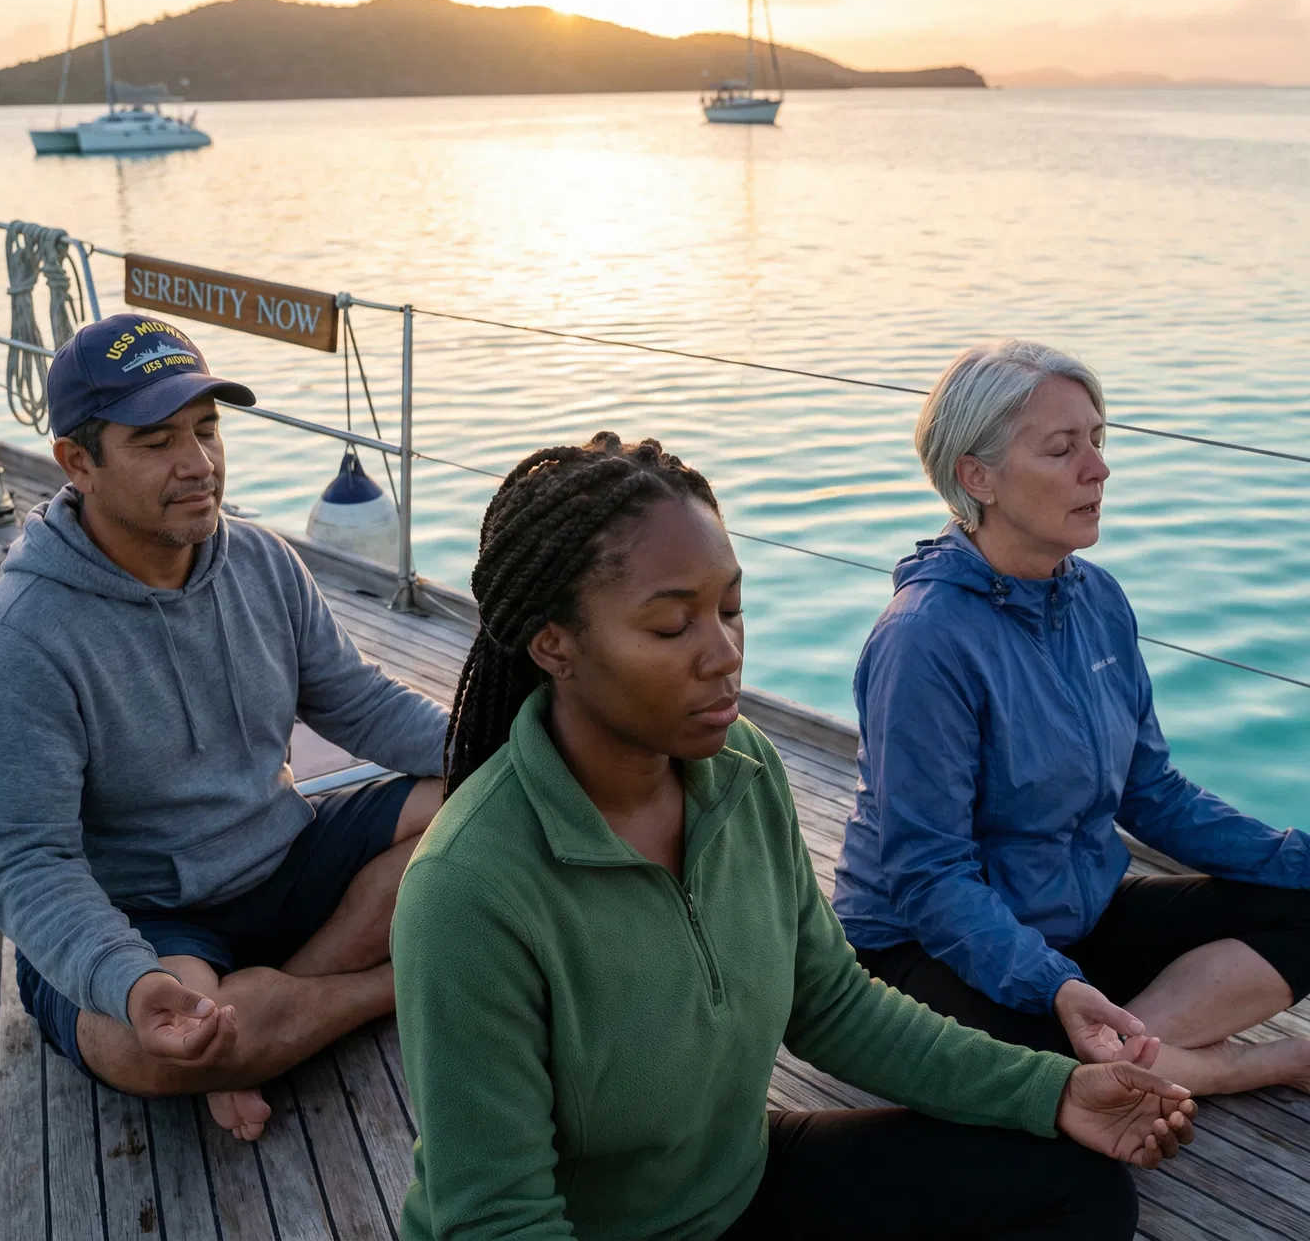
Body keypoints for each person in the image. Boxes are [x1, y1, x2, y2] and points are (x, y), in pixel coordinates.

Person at [391, 432, 1197, 1241]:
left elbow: (833, 1003)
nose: (725, 653)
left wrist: (1051, 1091)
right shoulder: (469, 892)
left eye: (731, 609)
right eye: (673, 627)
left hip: (737, 1189)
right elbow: (497, 1220)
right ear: (553, 645)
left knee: (1076, 1181)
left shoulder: (741, 770)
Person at [832, 340, 1310, 1097]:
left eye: (1097, 441)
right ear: (976, 476)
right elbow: (929, 876)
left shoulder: (1097, 600)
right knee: (1029, 1084)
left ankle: (1122, 1061)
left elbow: (1154, 793)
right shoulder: (924, 640)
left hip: (1077, 918)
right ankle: (1207, 1067)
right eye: (1061, 449)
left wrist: (1309, 862)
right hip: (926, 948)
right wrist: (1052, 986)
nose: (1099, 468)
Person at [0, 313, 447, 1141]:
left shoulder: (261, 562)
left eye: (208, 429)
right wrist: (129, 980)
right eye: (156, 442)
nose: (199, 464)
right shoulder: (19, 642)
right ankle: (378, 989)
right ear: (77, 463)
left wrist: (495, 747)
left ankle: (269, 1018)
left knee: (473, 800)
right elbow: (23, 860)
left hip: (284, 859)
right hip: (146, 916)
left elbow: (357, 703)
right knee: (152, 1044)